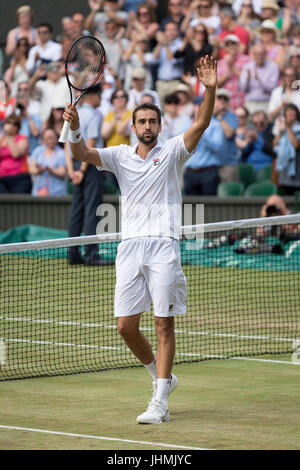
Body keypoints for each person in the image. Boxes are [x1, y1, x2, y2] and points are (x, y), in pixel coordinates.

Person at [62, 55, 217, 424]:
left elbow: (202, 122)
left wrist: (209, 88)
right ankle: (162, 378)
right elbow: (80, 153)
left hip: (164, 244)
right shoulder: (118, 156)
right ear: (133, 127)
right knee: (125, 327)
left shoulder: (174, 150)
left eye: (153, 121)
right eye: (142, 121)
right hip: (130, 246)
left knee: (164, 324)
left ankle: (160, 402)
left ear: (160, 126)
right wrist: (75, 128)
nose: (147, 126)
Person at [66, 84, 109, 266]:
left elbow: (66, 146)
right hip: (89, 166)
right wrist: (82, 171)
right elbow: (89, 144)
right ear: (93, 96)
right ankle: (91, 255)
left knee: (77, 211)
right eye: (99, 95)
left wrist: (72, 171)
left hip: (75, 167)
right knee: (92, 210)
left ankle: (73, 254)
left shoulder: (73, 114)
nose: (100, 99)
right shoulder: (93, 115)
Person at [239, 43, 280, 114]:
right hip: (250, 103)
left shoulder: (273, 66)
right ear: (253, 54)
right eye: (257, 54)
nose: (259, 56)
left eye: (261, 54)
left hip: (267, 102)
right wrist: (248, 80)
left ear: (266, 54)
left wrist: (259, 80)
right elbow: (243, 89)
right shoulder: (247, 66)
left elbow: (273, 89)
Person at [28, 128, 67, 196]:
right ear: (43, 139)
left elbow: (62, 173)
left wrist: (49, 169)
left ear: (57, 138)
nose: (50, 140)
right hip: (38, 192)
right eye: (47, 138)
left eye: (52, 137)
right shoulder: (37, 151)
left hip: (57, 193)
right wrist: (38, 170)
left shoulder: (62, 153)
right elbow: (31, 169)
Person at [217, 34, 251, 109]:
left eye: (233, 43)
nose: (230, 46)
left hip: (243, 101)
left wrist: (232, 66)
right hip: (227, 103)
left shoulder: (247, 60)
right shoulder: (220, 63)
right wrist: (228, 72)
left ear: (238, 45)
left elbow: (248, 80)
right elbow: (218, 83)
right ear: (225, 47)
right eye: (227, 44)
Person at [273, 103, 300, 195]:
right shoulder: (282, 129)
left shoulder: (298, 128)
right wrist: (281, 132)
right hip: (285, 169)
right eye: (288, 112)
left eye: (292, 111)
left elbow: (296, 145)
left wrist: (288, 128)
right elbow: (274, 144)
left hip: (297, 169)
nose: (290, 113)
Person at [0, 113, 31, 194]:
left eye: (14, 124)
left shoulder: (22, 138)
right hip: (2, 179)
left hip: (19, 179)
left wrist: (9, 136)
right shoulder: (1, 138)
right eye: (8, 123)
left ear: (18, 127)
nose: (11, 126)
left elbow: (16, 154)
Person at [268, 66, 300, 136]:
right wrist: (281, 106)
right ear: (283, 77)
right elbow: (270, 117)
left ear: (296, 77)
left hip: (298, 133)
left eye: (292, 75)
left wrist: (293, 111)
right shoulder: (276, 92)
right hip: (279, 132)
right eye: (287, 75)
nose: (289, 78)